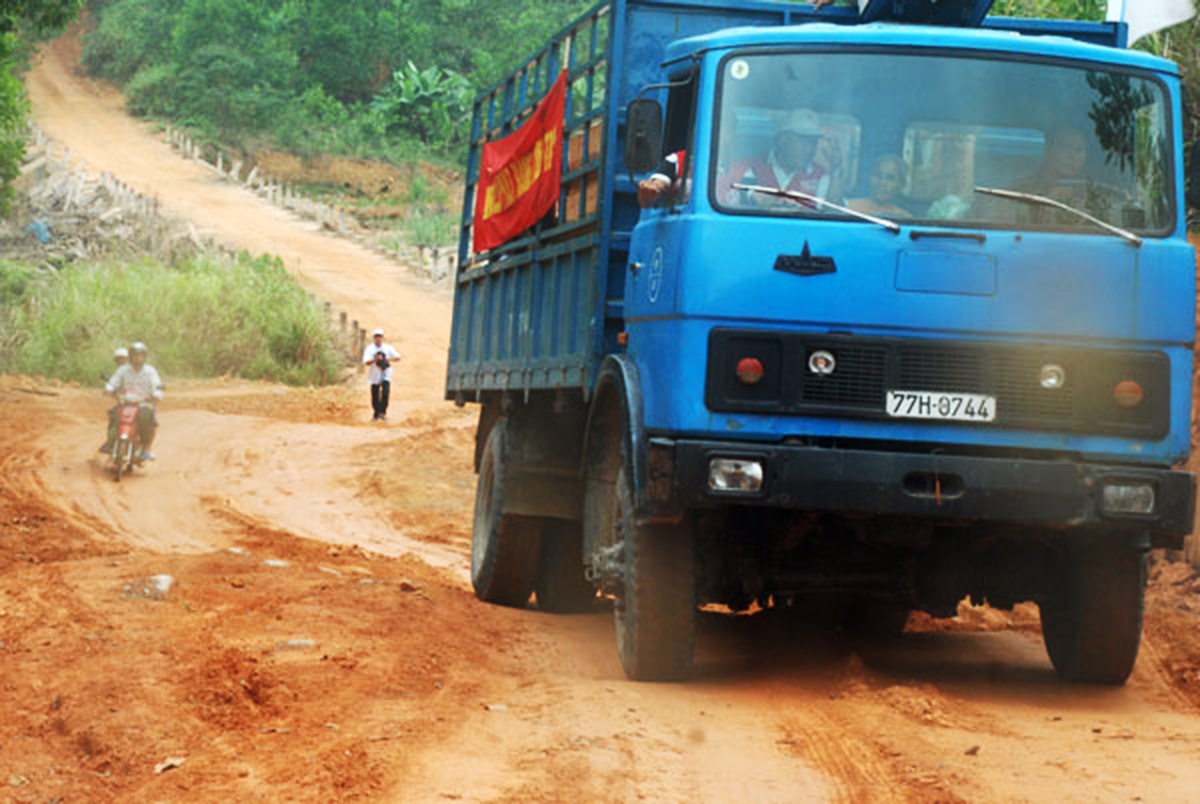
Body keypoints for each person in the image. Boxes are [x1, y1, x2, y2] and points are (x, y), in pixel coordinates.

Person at [719, 109, 832, 207]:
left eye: (813, 143)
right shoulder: (749, 167)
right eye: (802, 141)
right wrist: (752, 196)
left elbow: (831, 210)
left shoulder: (821, 176)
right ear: (783, 140)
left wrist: (837, 172)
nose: (809, 149)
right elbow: (724, 195)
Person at [103, 341, 163, 461]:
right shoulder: (123, 370)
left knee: (147, 418)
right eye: (135, 355)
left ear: (144, 356)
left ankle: (146, 449)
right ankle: (110, 442)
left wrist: (156, 394)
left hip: (144, 403)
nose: (138, 358)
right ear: (130, 356)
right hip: (125, 402)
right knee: (114, 414)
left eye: (140, 355)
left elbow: (157, 385)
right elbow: (113, 382)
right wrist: (109, 389)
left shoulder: (150, 371)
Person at [848, 154, 911, 219]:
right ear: (869, 178)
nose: (882, 183)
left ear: (900, 184)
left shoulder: (905, 218)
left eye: (890, 178)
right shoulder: (849, 208)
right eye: (878, 176)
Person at [363, 328, 401, 421]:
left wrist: (386, 360)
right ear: (374, 338)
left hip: (386, 373)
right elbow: (366, 362)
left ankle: (383, 412)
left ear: (382, 337)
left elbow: (398, 357)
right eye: (376, 336)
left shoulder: (387, 348)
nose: (378, 338)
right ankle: (376, 413)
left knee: (385, 392)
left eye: (380, 336)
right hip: (374, 374)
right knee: (375, 395)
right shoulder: (370, 349)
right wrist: (375, 360)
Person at [99, 347, 130, 454]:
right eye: (118, 359)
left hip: (137, 402)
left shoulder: (134, 371)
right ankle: (110, 441)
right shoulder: (117, 374)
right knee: (113, 416)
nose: (121, 361)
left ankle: (144, 445)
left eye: (123, 359)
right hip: (123, 403)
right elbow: (112, 384)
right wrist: (109, 390)